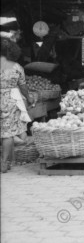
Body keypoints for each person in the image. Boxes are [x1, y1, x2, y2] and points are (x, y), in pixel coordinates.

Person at [1, 39, 35, 173]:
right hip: (10, 101)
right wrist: (29, 98)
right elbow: (23, 87)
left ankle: (6, 162)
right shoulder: (16, 67)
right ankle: (4, 163)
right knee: (7, 133)